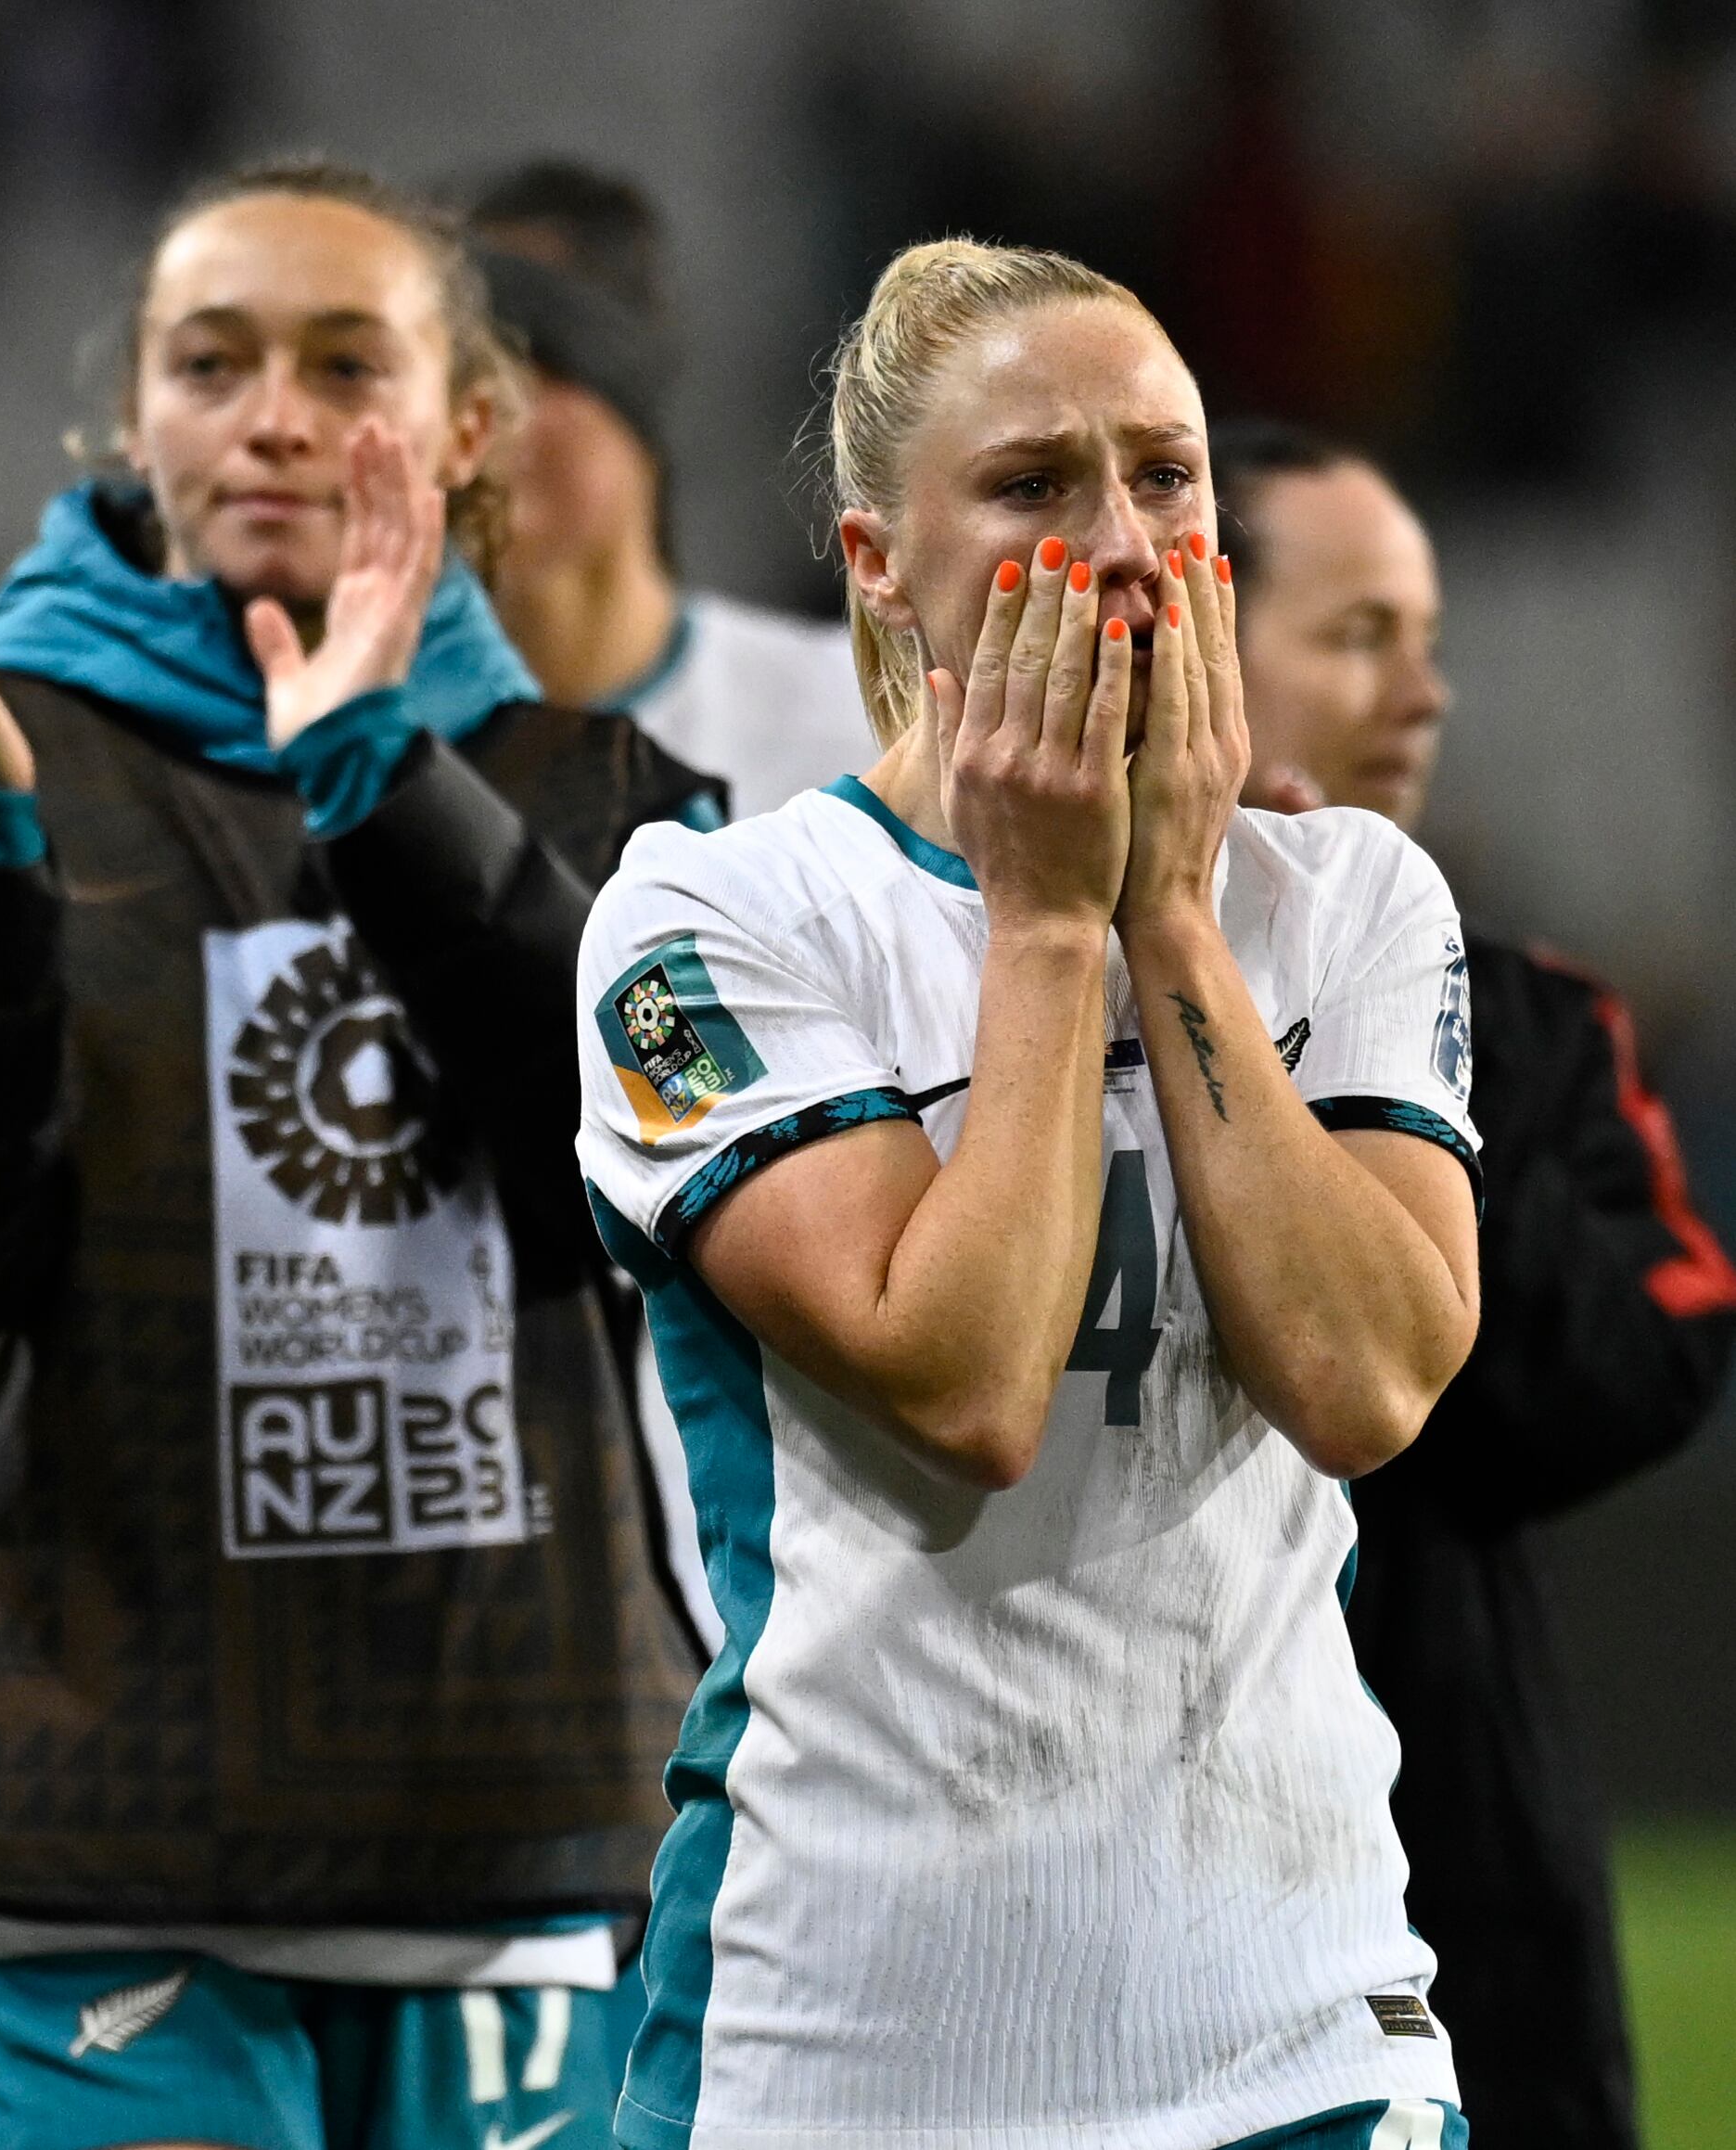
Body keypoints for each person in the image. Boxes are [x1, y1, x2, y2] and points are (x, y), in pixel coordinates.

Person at [0, 157, 715, 2150]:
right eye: (211, 362)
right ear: (134, 418)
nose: (271, 413)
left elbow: (654, 1209)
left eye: (339, 361)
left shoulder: (620, 795)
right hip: (77, 1834)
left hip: (510, 1830)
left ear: (474, 426)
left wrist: (380, 776)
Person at [576, 240, 1485, 2150]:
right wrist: (1053, 921)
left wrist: (1170, 908)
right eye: (1030, 486)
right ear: (873, 567)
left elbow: (1369, 1384)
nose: (1124, 540)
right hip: (842, 2046)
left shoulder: (1352, 904)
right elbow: (969, 1382)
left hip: (1296, 2034)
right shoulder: (707, 923)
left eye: (1164, 475)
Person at [1220, 418, 1736, 2150]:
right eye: (1360, 633)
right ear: (1198, 633)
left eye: (1429, 642)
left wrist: (1374, 1020)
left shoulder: (1523, 1017)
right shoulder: (1017, 990)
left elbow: (1633, 1367)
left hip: (1460, 1866)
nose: (1423, 692)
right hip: (1134, 1871)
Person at [462, 160, 869, 823]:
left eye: (529, 364)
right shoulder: (351, 760)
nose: (471, 424)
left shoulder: (856, 727)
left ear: (627, 387)